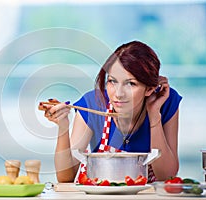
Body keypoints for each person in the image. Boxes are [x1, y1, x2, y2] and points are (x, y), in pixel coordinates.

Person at [39, 41, 182, 183]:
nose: (118, 94)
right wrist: (63, 126)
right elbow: (65, 177)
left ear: (149, 89)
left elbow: (166, 175)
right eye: (112, 81)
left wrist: (154, 114)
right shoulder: (93, 103)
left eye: (131, 83)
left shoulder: (165, 102)